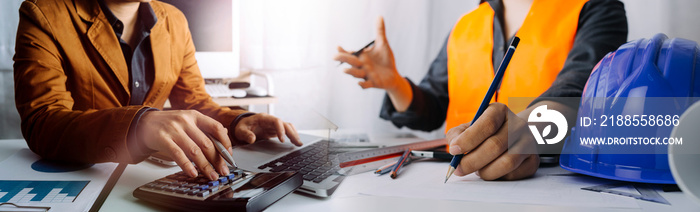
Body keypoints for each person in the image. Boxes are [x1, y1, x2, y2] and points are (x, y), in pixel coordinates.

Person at [334, 0, 627, 180]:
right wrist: (395, 83)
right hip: (456, 184)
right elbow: (433, 108)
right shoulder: (465, 25)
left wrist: (527, 133)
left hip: (545, 184)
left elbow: (578, 91)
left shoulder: (597, 8)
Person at [13, 0, 301, 181]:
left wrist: (237, 122)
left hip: (150, 177)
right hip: (84, 177)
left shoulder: (174, 20)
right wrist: (139, 124)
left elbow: (194, 102)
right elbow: (42, 122)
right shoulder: (44, 13)